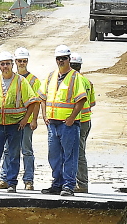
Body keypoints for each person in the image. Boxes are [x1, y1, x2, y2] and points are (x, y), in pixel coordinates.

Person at [0, 51, 41, 194]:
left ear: (12, 64)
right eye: (2, 64)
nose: (5, 67)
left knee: (14, 154)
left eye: (7, 64)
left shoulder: (21, 81)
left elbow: (33, 102)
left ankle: (11, 183)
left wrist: (25, 119)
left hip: (15, 125)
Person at [41, 45, 87, 197]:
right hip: (53, 123)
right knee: (54, 156)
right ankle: (57, 184)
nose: (61, 61)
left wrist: (72, 118)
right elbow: (42, 97)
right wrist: (44, 115)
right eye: (58, 58)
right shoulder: (50, 76)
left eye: (64, 58)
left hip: (68, 125)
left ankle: (68, 185)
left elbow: (81, 100)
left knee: (70, 155)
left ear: (69, 59)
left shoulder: (76, 78)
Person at [70, 52, 96, 194]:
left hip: (77, 121)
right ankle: (78, 182)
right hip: (86, 121)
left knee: (77, 153)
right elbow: (91, 103)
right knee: (80, 152)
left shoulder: (72, 81)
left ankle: (81, 183)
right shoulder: (88, 82)